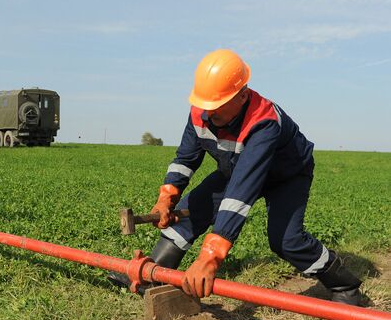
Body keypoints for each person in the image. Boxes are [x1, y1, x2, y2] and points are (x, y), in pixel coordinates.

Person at [109, 49, 362, 305]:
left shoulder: (264, 122)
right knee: (190, 210)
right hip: (236, 169)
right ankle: (155, 274)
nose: (208, 113)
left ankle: (345, 285)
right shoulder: (201, 110)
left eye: (216, 106)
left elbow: (240, 194)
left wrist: (209, 257)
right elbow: (185, 160)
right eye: (204, 104)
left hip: (286, 176)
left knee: (286, 241)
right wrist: (167, 197)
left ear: (242, 96)